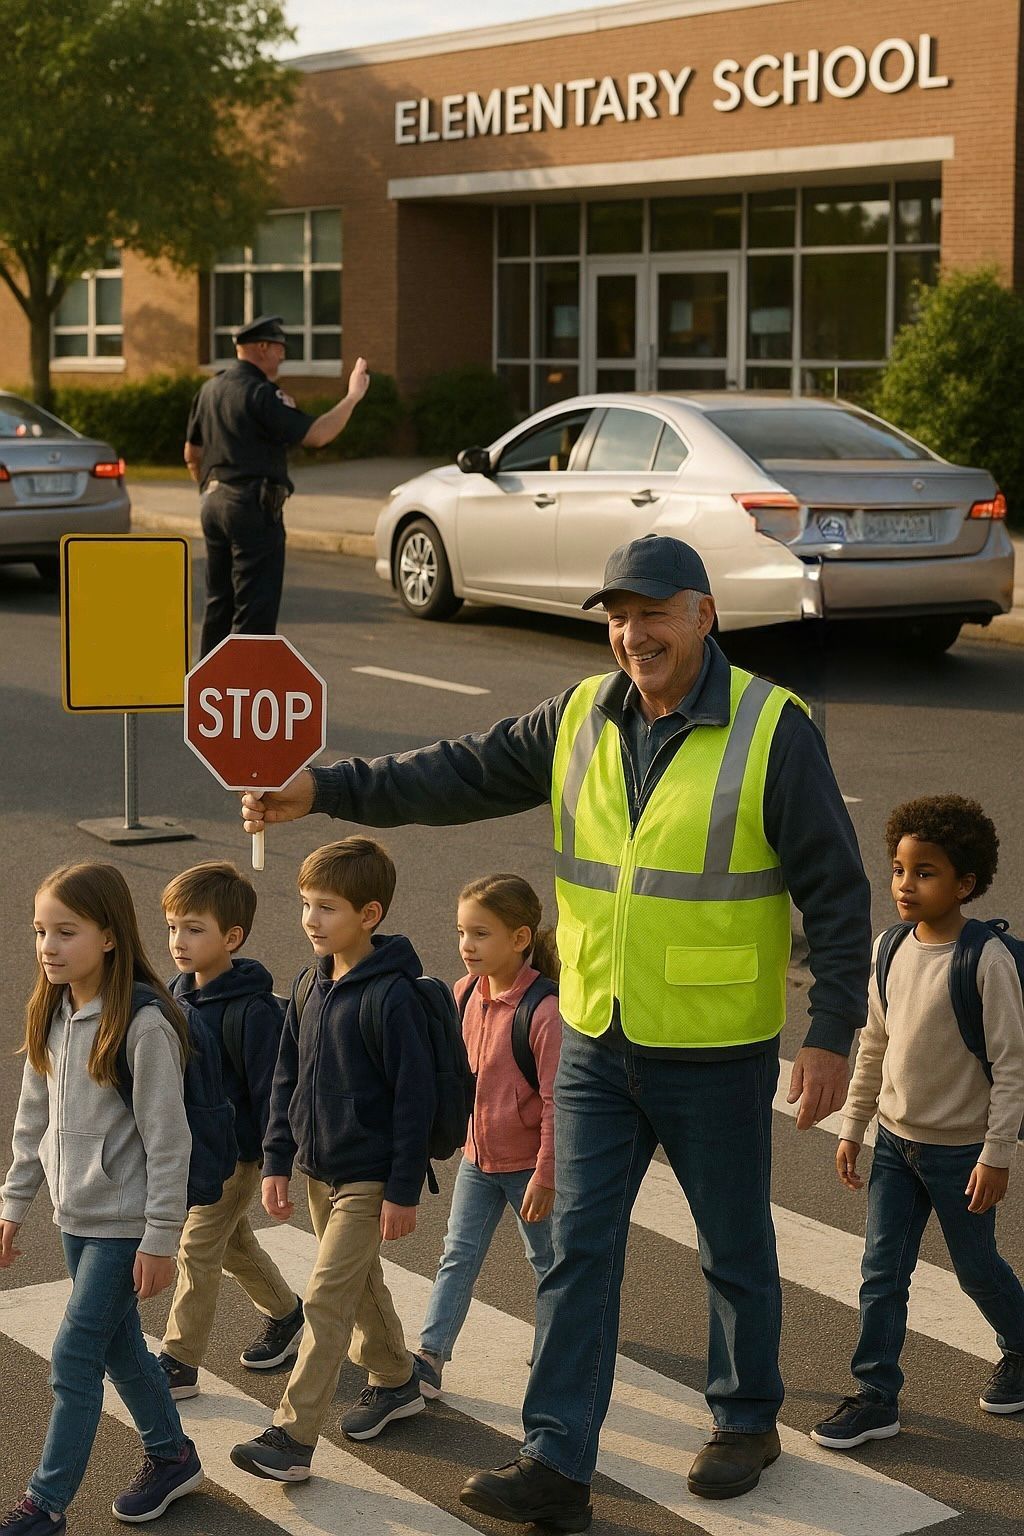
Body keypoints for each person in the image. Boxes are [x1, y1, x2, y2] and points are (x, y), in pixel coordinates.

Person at [240, 534, 871, 1517]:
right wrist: (329, 789)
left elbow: (835, 889)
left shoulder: (769, 728)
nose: (631, 633)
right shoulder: (579, 714)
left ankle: (745, 1417)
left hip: (714, 1045)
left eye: (652, 612)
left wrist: (830, 1030)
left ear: (703, 615)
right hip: (594, 1038)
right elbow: (457, 773)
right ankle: (557, 1459)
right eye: (617, 615)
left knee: (731, 1245)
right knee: (576, 1250)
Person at [812, 795, 1024, 1451]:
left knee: (976, 1267)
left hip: (962, 1154)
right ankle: (876, 1396)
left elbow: (1012, 1065)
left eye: (926, 872)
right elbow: (873, 1044)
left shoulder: (985, 962)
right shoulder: (889, 947)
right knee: (881, 1273)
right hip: (895, 1148)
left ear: (965, 882)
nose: (906, 884)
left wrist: (996, 1155)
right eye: (900, 869)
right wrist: (853, 1127)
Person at [0, 863, 203, 1534]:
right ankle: (172, 1455)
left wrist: (159, 1239)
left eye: (66, 931)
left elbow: (169, 1143)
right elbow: (33, 1122)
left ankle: (45, 1505)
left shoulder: (142, 1026)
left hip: (126, 1224)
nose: (48, 947)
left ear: (110, 936)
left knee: (75, 1356)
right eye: (40, 932)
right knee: (120, 1350)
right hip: (77, 1216)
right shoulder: (53, 1010)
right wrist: (11, 1208)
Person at [229, 837, 436, 1482]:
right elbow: (285, 1079)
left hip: (370, 1177)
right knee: (357, 1280)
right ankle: (397, 1377)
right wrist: (275, 1162)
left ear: (369, 915)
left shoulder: (393, 997)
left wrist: (403, 1189)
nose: (310, 920)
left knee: (324, 1298)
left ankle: (293, 1437)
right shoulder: (309, 984)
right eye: (306, 906)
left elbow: (415, 1100)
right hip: (320, 1167)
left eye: (326, 908)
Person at [156, 861, 304, 1401]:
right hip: (197, 1154)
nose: (179, 940)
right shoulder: (176, 995)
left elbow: (274, 1091)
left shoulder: (254, 1013)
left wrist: (274, 1164)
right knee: (234, 1244)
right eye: (173, 926)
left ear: (232, 937)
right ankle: (288, 1316)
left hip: (238, 1155)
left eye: (194, 929)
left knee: (196, 1248)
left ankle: (178, 1361)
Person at [413, 874, 562, 1400]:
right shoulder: (464, 992)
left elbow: (556, 1104)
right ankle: (430, 1356)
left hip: (528, 1167)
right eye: (461, 933)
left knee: (549, 1264)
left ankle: (559, 1350)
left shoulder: (544, 1012)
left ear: (520, 938)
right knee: (457, 1255)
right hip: (478, 1158)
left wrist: (545, 1176)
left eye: (480, 934)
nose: (466, 946)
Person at [184, 314, 370, 655]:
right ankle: (244, 692)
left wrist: (208, 490)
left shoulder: (210, 389)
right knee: (255, 609)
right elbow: (317, 435)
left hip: (212, 502)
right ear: (263, 348)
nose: (283, 357)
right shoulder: (261, 393)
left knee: (218, 603)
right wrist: (352, 397)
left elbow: (191, 453)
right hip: (252, 506)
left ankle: (206, 693)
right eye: (280, 348)